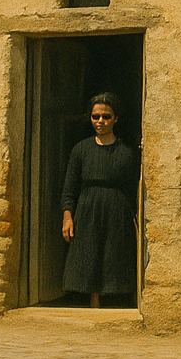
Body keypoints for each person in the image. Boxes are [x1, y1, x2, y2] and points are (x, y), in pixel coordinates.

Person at [60, 92, 139, 307]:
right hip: (87, 209)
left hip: (116, 209)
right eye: (96, 117)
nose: (100, 121)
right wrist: (68, 216)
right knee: (89, 255)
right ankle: (93, 306)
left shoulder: (126, 152)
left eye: (106, 116)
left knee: (113, 256)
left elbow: (134, 189)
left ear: (116, 118)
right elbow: (69, 189)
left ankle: (118, 305)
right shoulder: (81, 150)